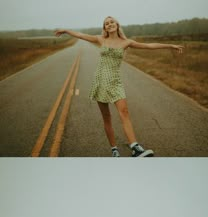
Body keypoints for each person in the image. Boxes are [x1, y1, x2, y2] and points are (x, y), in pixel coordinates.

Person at [55, 16, 183, 158]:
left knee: (125, 112)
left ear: (117, 24)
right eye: (106, 23)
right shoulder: (100, 39)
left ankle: (135, 148)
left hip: (115, 82)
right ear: (105, 28)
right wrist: (66, 30)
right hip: (101, 81)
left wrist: (170, 46)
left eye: (112, 22)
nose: (109, 24)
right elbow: (81, 35)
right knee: (107, 118)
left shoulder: (126, 42)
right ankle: (114, 150)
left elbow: (148, 46)